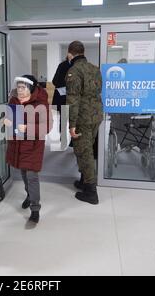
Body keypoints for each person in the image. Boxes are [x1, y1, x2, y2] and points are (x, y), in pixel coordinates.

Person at [4, 75, 52, 227]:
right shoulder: (13, 101)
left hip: (33, 145)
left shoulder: (41, 103)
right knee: (23, 172)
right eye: (18, 87)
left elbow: (47, 127)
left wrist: (28, 128)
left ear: (30, 88)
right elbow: (9, 118)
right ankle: (29, 195)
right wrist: (7, 121)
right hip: (18, 143)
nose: (19, 90)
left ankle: (35, 208)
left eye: (23, 88)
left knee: (31, 175)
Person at [66, 41, 103, 205]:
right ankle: (83, 181)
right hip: (96, 116)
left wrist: (72, 124)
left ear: (70, 54)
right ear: (83, 52)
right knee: (87, 149)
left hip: (83, 118)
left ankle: (91, 192)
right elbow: (98, 91)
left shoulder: (74, 71)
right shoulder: (95, 69)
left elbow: (72, 100)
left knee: (84, 153)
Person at [52, 54, 73, 148]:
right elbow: (55, 81)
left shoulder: (78, 65)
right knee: (64, 118)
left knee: (74, 119)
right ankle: (63, 138)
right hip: (63, 96)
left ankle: (73, 140)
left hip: (75, 98)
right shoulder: (62, 65)